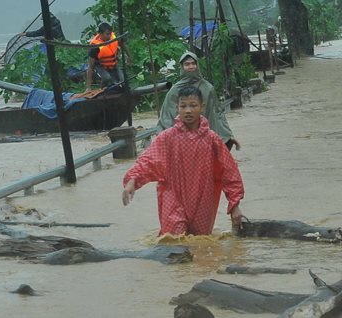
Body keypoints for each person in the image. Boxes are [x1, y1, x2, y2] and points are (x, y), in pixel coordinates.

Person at [122, 86, 245, 236]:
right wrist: (132, 181)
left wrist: (235, 205)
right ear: (177, 108)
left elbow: (229, 171)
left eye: (193, 106)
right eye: (183, 106)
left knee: (200, 245)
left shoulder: (211, 139)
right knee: (173, 240)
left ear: (202, 107)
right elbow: (148, 160)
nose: (188, 110)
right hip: (172, 195)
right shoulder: (167, 137)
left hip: (203, 198)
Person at [157, 51, 240, 151]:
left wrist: (227, 135)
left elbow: (217, 114)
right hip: (182, 140)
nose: (191, 67)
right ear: (182, 67)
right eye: (187, 64)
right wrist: (167, 139)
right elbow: (167, 117)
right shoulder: (174, 91)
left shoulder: (208, 88)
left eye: (193, 63)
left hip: (204, 138)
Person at [86, 22, 125, 91]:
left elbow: (122, 45)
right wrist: (88, 87)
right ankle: (102, 90)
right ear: (100, 34)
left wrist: (128, 57)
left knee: (123, 80)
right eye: (107, 34)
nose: (109, 36)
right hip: (100, 65)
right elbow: (90, 67)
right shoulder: (95, 46)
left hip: (113, 64)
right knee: (107, 78)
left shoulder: (113, 38)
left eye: (110, 33)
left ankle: (117, 88)